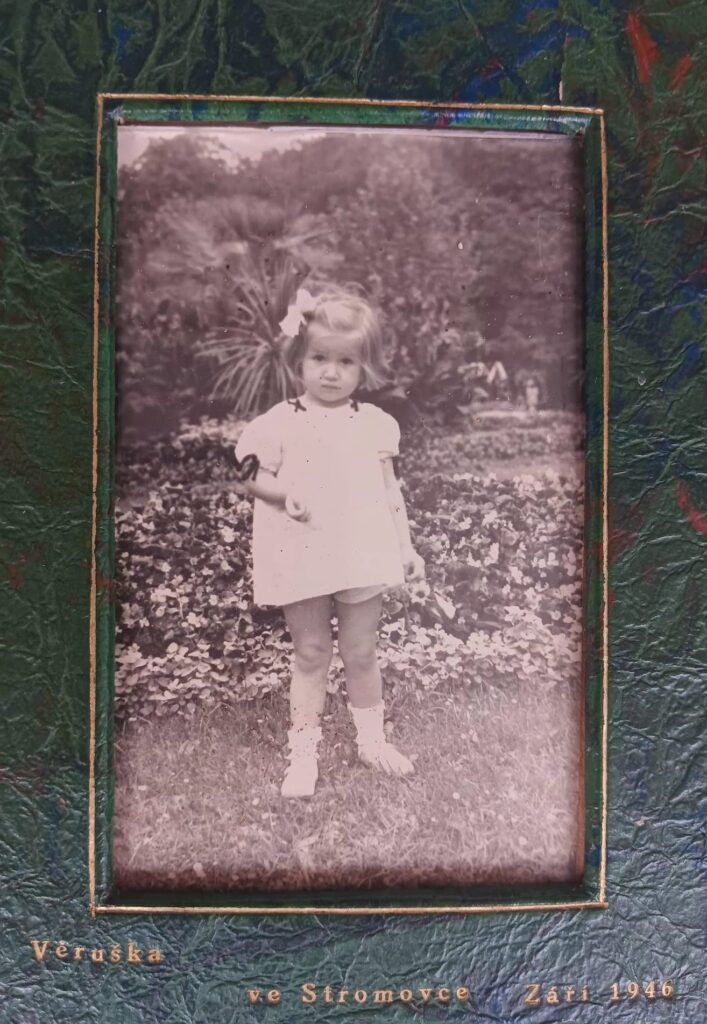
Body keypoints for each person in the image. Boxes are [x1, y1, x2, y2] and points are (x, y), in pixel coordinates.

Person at [235, 289, 425, 798]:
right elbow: (250, 475)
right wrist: (285, 494)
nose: (331, 373)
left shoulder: (375, 425)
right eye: (319, 358)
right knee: (312, 651)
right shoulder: (276, 423)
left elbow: (390, 492)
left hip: (361, 550)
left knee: (361, 651)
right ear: (298, 358)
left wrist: (406, 548)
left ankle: (372, 742)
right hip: (302, 551)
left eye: (346, 362)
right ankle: (303, 755)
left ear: (365, 366)